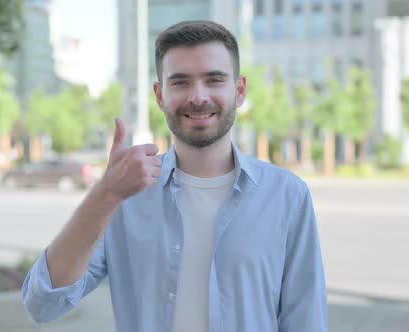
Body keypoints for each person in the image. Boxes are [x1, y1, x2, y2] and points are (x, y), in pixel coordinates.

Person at [22, 20, 327, 331]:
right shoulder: (125, 196)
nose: (197, 96)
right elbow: (43, 303)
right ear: (159, 95)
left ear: (239, 90)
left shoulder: (287, 195)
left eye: (214, 80)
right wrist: (106, 194)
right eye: (180, 82)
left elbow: (306, 319)